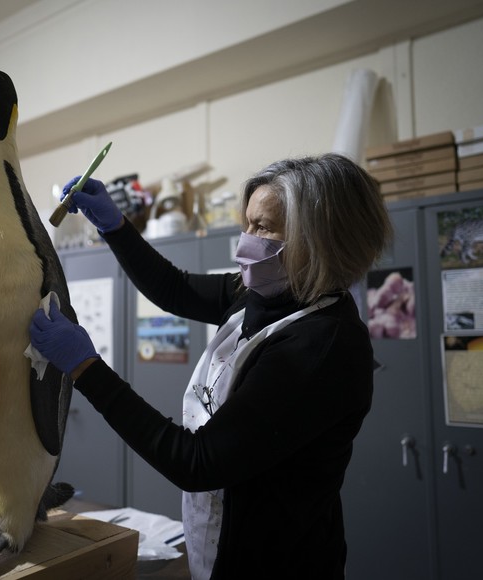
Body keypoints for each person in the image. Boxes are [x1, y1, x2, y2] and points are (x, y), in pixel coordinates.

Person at [29, 153, 394, 579]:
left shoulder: (320, 348)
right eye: (247, 223)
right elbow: (175, 288)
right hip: (220, 546)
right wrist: (115, 225)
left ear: (320, 241)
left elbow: (197, 461)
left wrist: (86, 367)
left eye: (263, 227)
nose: (246, 240)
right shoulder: (270, 292)